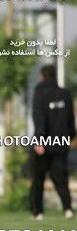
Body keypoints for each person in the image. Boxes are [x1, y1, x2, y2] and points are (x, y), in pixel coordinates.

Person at [31, 65, 75, 220]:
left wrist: (38, 140)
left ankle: (38, 212)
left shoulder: (40, 93)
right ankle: (68, 209)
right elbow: (70, 120)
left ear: (43, 76)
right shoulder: (65, 94)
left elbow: (39, 118)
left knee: (38, 178)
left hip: (43, 144)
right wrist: (69, 137)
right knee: (61, 178)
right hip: (61, 143)